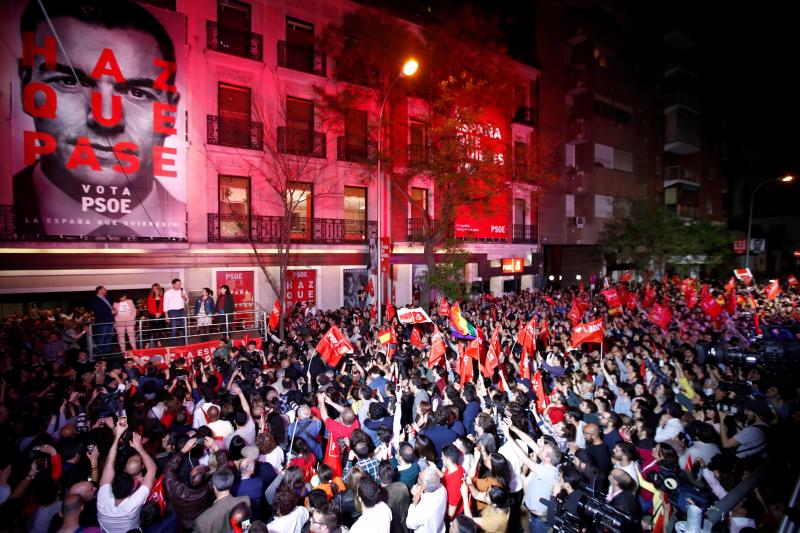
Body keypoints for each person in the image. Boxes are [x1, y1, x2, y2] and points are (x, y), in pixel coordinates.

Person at [13, 0, 185, 239]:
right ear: (25, 86)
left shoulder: (186, 219)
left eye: (137, 93)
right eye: (69, 81)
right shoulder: (11, 207)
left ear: (171, 111)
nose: (105, 119)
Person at [96, 420, 156, 532]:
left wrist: (117, 435)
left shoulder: (101, 500)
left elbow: (109, 463)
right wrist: (138, 446)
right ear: (130, 492)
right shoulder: (132, 504)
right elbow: (152, 468)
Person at [193, 467, 249, 533]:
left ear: (214, 487)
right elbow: (246, 529)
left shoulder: (201, 521)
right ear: (231, 484)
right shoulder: (246, 501)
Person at [406, 467, 448, 533]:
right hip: (440, 529)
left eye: (419, 478)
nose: (419, 474)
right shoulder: (442, 488)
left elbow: (410, 524)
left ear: (423, 485)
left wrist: (414, 503)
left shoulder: (423, 508)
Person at [163, 278, 188, 345]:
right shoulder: (168, 293)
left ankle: (185, 343)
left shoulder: (182, 291)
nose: (179, 285)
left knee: (184, 327)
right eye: (178, 284)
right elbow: (165, 303)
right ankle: (173, 345)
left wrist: (183, 296)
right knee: (173, 328)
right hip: (172, 311)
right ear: (173, 284)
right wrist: (166, 315)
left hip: (181, 310)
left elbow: (186, 301)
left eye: (180, 284)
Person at [91, 285, 114, 355]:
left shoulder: (106, 298)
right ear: (99, 290)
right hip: (102, 322)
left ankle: (107, 351)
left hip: (109, 320)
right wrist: (110, 312)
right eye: (104, 289)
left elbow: (109, 308)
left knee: (109, 336)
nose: (106, 290)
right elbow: (97, 311)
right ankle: (100, 352)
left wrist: (113, 310)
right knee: (102, 337)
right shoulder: (95, 299)